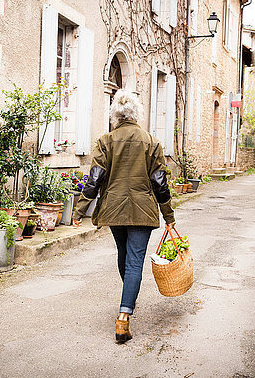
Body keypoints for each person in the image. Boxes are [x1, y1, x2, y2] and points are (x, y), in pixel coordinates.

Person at [72, 90, 175, 343]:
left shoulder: (105, 141)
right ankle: (124, 315)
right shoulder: (152, 142)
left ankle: (128, 299)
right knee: (134, 261)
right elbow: (160, 183)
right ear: (136, 113)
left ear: (115, 116)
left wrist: (79, 210)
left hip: (114, 209)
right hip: (143, 209)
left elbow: (94, 179)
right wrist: (168, 214)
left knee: (124, 255)